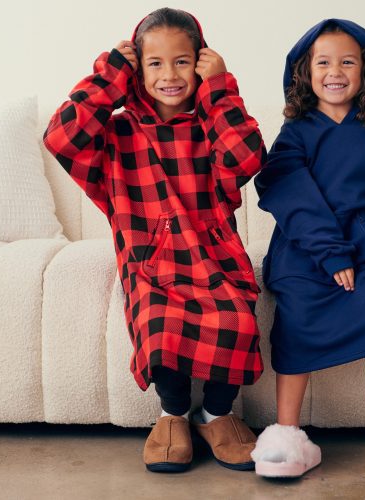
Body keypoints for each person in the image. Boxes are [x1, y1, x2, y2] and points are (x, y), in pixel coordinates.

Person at [44, 7, 265, 473]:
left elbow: (247, 159)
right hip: (149, 260)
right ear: (136, 70)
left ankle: (216, 415)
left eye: (182, 62)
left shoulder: (210, 124)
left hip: (214, 253)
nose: (170, 75)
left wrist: (221, 90)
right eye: (155, 63)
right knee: (159, 323)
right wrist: (108, 75)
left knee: (237, 320)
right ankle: (172, 416)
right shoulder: (117, 132)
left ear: (201, 63)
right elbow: (61, 138)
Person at [250, 19, 365, 478]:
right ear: (305, 72)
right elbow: (289, 191)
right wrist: (329, 251)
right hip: (306, 249)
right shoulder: (294, 134)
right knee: (294, 316)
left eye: (347, 61)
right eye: (324, 62)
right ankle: (286, 436)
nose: (335, 71)